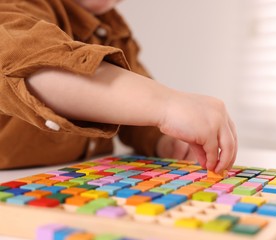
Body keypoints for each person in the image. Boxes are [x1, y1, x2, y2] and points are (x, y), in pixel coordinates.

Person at [0, 0, 237, 173]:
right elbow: (30, 64)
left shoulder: (115, 29)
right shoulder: (16, 6)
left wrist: (165, 139)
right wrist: (165, 104)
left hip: (82, 176)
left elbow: (136, 114)